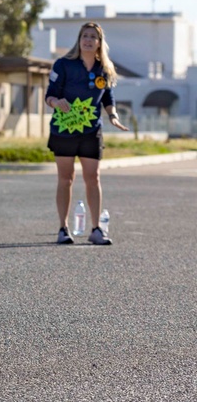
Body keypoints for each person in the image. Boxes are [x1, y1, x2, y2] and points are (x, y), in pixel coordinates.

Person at [46, 22, 129, 246]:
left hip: (91, 131)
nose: (88, 40)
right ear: (79, 39)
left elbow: (107, 99)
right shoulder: (64, 64)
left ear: (100, 42)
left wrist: (113, 116)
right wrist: (57, 102)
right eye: (85, 36)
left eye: (93, 36)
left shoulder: (105, 69)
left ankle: (96, 229)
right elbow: (50, 95)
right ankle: (63, 229)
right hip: (64, 129)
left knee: (93, 178)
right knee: (66, 179)